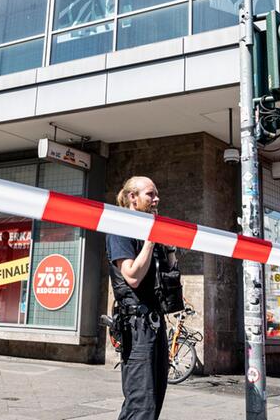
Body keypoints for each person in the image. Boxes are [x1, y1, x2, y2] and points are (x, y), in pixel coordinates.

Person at [106, 176, 179, 420]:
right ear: (132, 198)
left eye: (156, 194)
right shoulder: (121, 228)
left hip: (155, 323)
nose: (157, 198)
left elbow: (168, 271)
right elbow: (132, 276)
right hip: (136, 326)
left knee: (156, 396)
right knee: (141, 403)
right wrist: (151, 240)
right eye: (150, 194)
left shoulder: (149, 230)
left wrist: (168, 248)